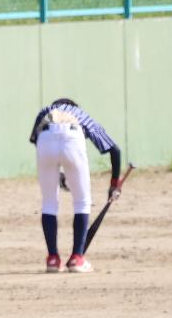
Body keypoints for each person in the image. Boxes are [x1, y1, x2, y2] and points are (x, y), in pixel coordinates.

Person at [30, 97, 122, 273]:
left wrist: (59, 171)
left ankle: (52, 260)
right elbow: (114, 150)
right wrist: (114, 184)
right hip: (73, 137)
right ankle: (77, 258)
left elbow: (37, 140)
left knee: (49, 203)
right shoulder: (79, 114)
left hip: (45, 140)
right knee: (82, 202)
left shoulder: (45, 111)